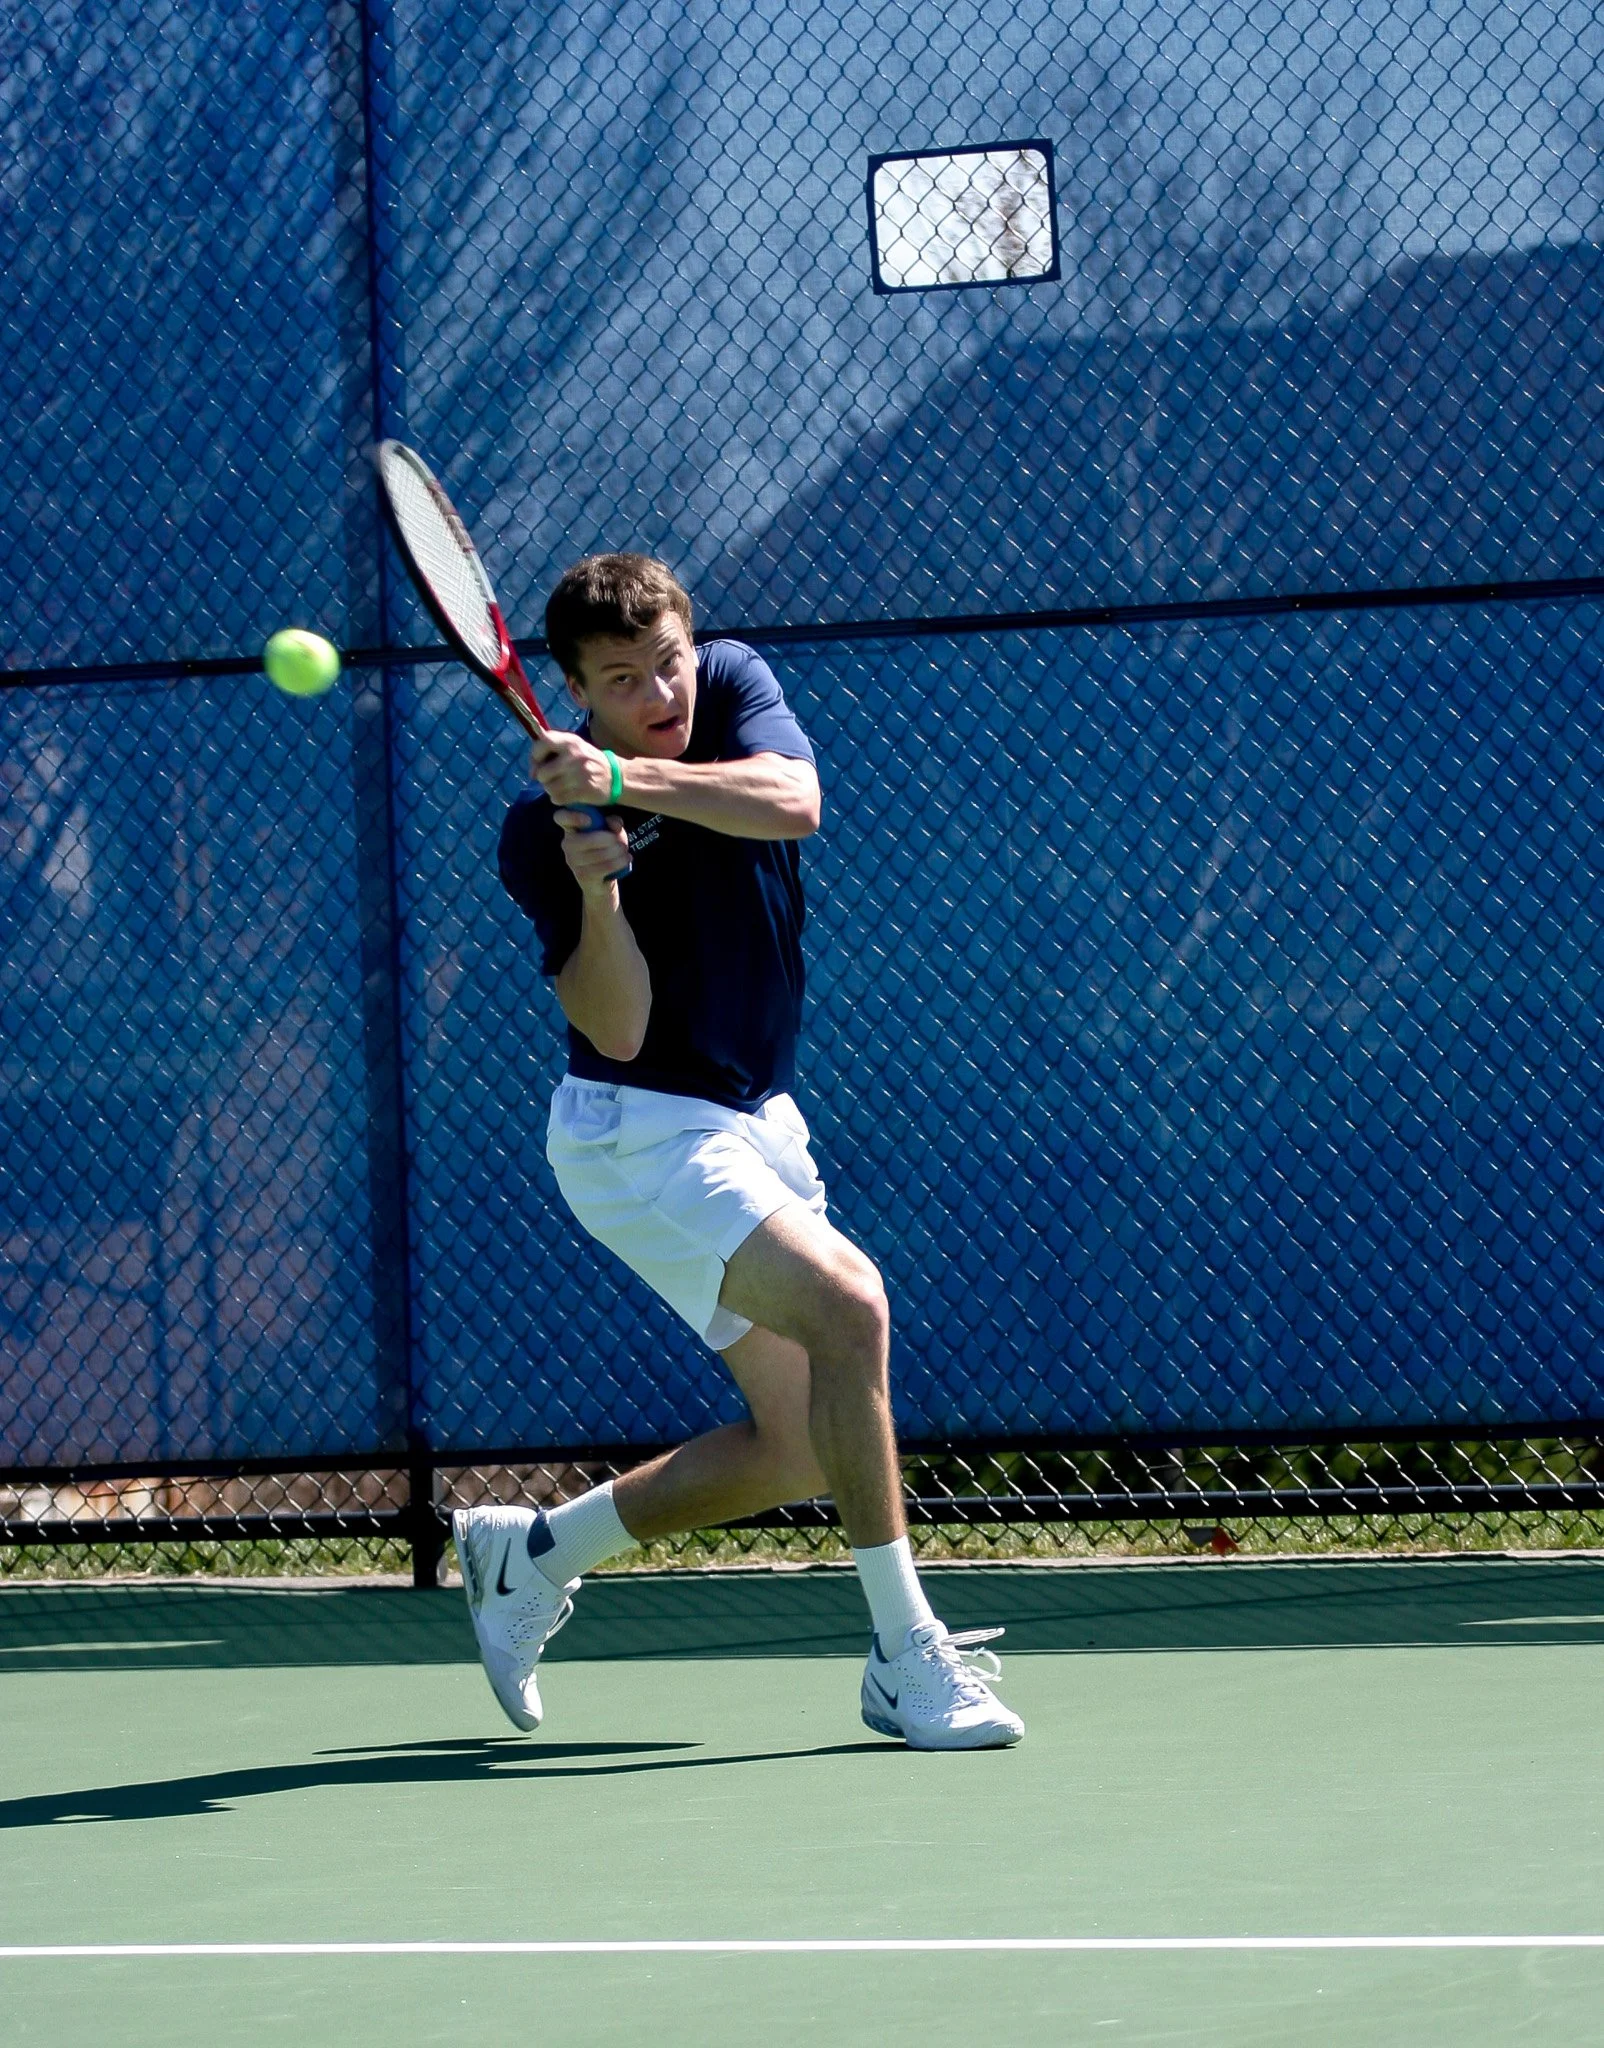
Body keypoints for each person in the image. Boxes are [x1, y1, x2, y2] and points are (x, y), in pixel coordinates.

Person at [449, 553, 1023, 1751]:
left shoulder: (729, 684)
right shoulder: (536, 828)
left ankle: (531, 1554)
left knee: (799, 1445)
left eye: (665, 658)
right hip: (636, 1132)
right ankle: (903, 1657)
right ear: (571, 684)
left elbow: (791, 799)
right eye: (622, 678)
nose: (661, 687)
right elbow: (612, 1024)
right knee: (851, 1303)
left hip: (753, 1115)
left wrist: (629, 773)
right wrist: (596, 886)